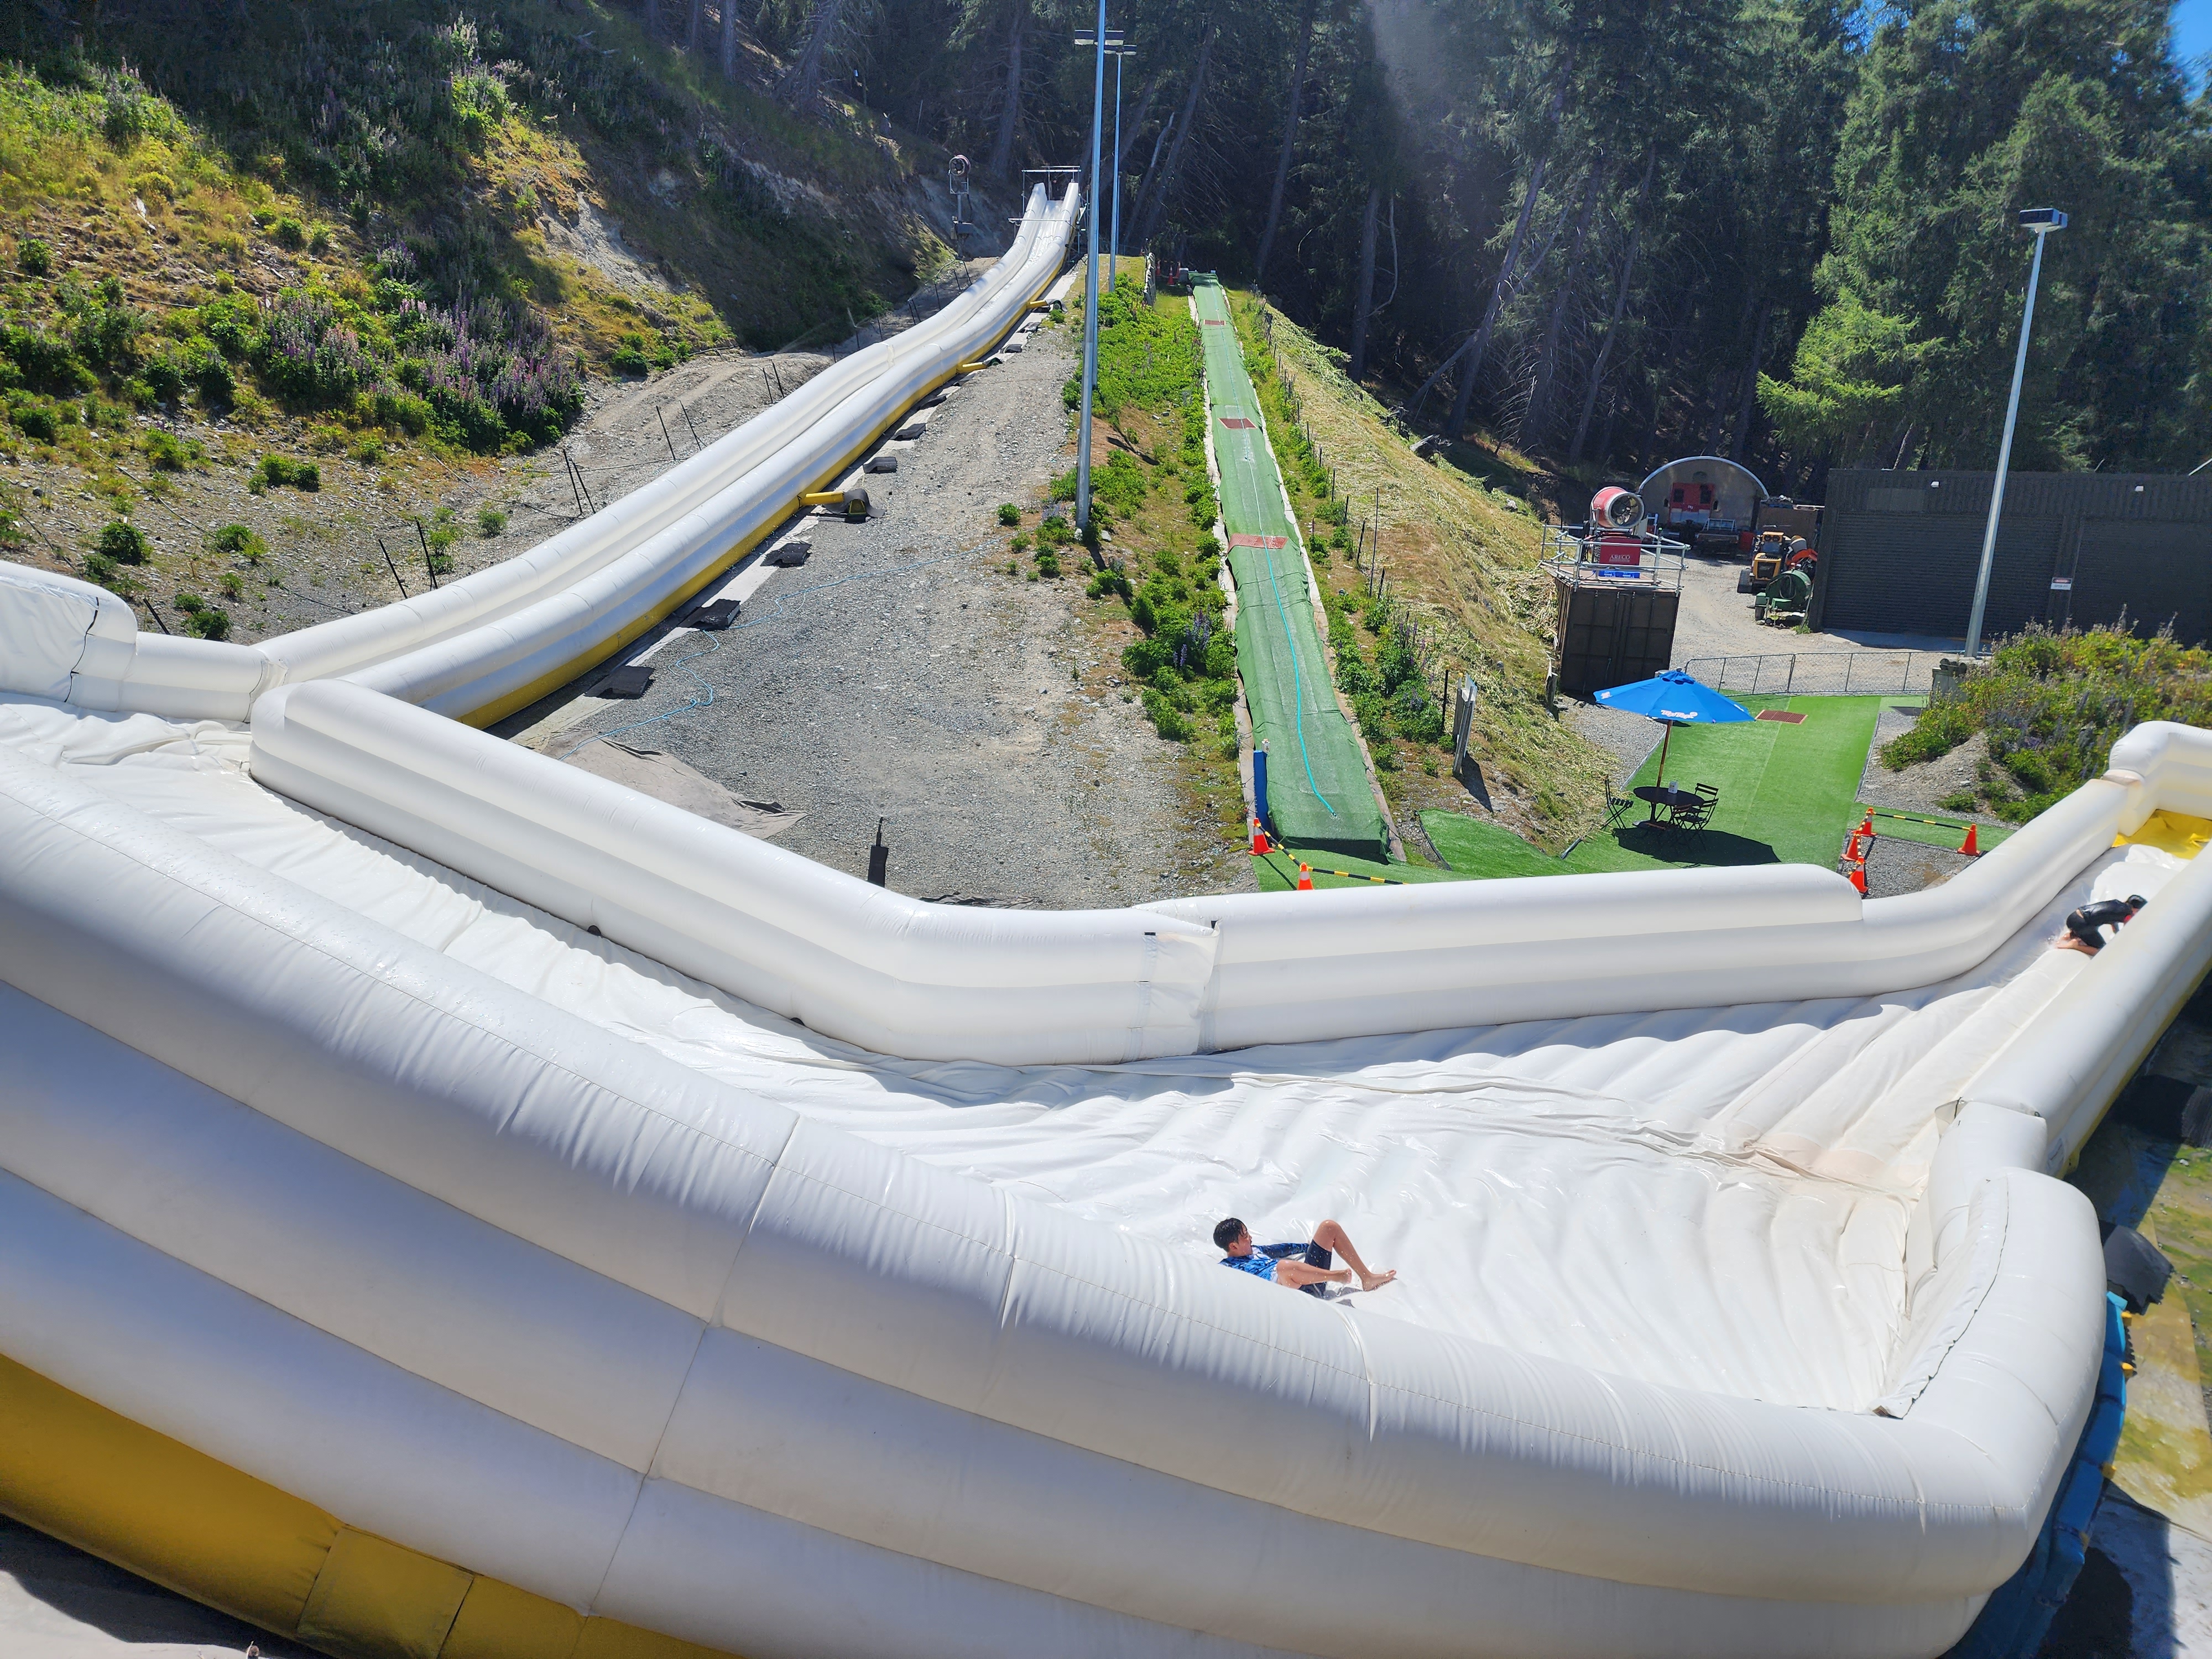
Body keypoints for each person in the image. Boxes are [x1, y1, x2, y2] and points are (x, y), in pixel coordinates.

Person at [1212, 1217, 1395, 1297]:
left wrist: (1309, 1247)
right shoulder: (1227, 1268)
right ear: (1233, 1246)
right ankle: (1336, 1277)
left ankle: (1367, 1278)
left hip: (1308, 1283)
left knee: (1328, 1227)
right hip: (1292, 1298)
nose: (1250, 1238)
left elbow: (1284, 1248)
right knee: (1283, 1267)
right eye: (1245, 1236)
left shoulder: (1257, 1250)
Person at [2057, 894, 2146, 955]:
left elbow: (2112, 920)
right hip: (2082, 924)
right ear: (2135, 909)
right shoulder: (2128, 915)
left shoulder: (2116, 903)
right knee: (2101, 950)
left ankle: (2066, 937)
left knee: (2089, 928)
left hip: (2074, 917)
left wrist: (2116, 932)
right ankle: (2075, 946)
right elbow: (2128, 932)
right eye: (2138, 911)